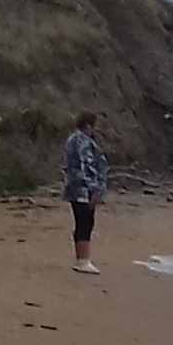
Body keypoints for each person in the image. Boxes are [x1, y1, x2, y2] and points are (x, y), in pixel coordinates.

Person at [61, 112, 110, 274]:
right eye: (95, 125)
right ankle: (83, 260)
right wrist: (94, 189)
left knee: (83, 221)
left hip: (76, 186)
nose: (97, 128)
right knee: (85, 221)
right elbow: (86, 165)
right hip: (82, 189)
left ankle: (82, 258)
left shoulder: (74, 138)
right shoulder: (82, 140)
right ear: (89, 125)